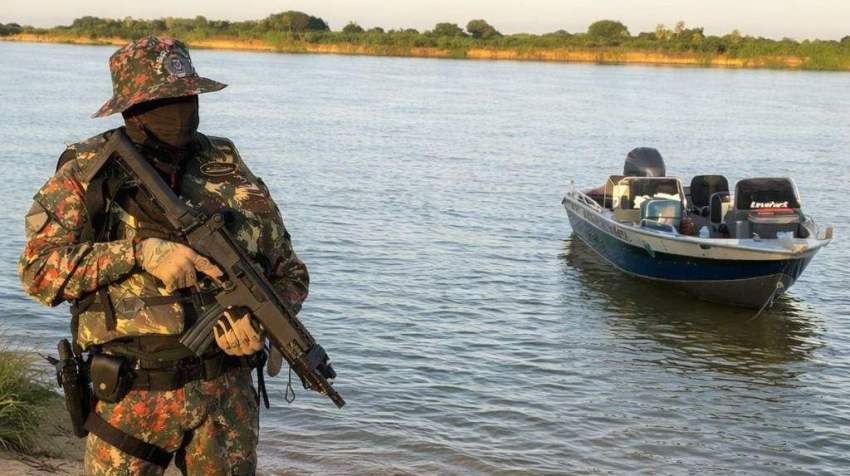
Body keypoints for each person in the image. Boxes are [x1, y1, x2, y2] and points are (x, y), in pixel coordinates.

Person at [18, 36, 309, 475]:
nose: (180, 109)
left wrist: (265, 317)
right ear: (131, 107)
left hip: (225, 400)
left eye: (187, 96)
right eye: (166, 99)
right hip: (130, 398)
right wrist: (140, 253)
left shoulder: (225, 162)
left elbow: (289, 268)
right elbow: (39, 273)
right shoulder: (87, 170)